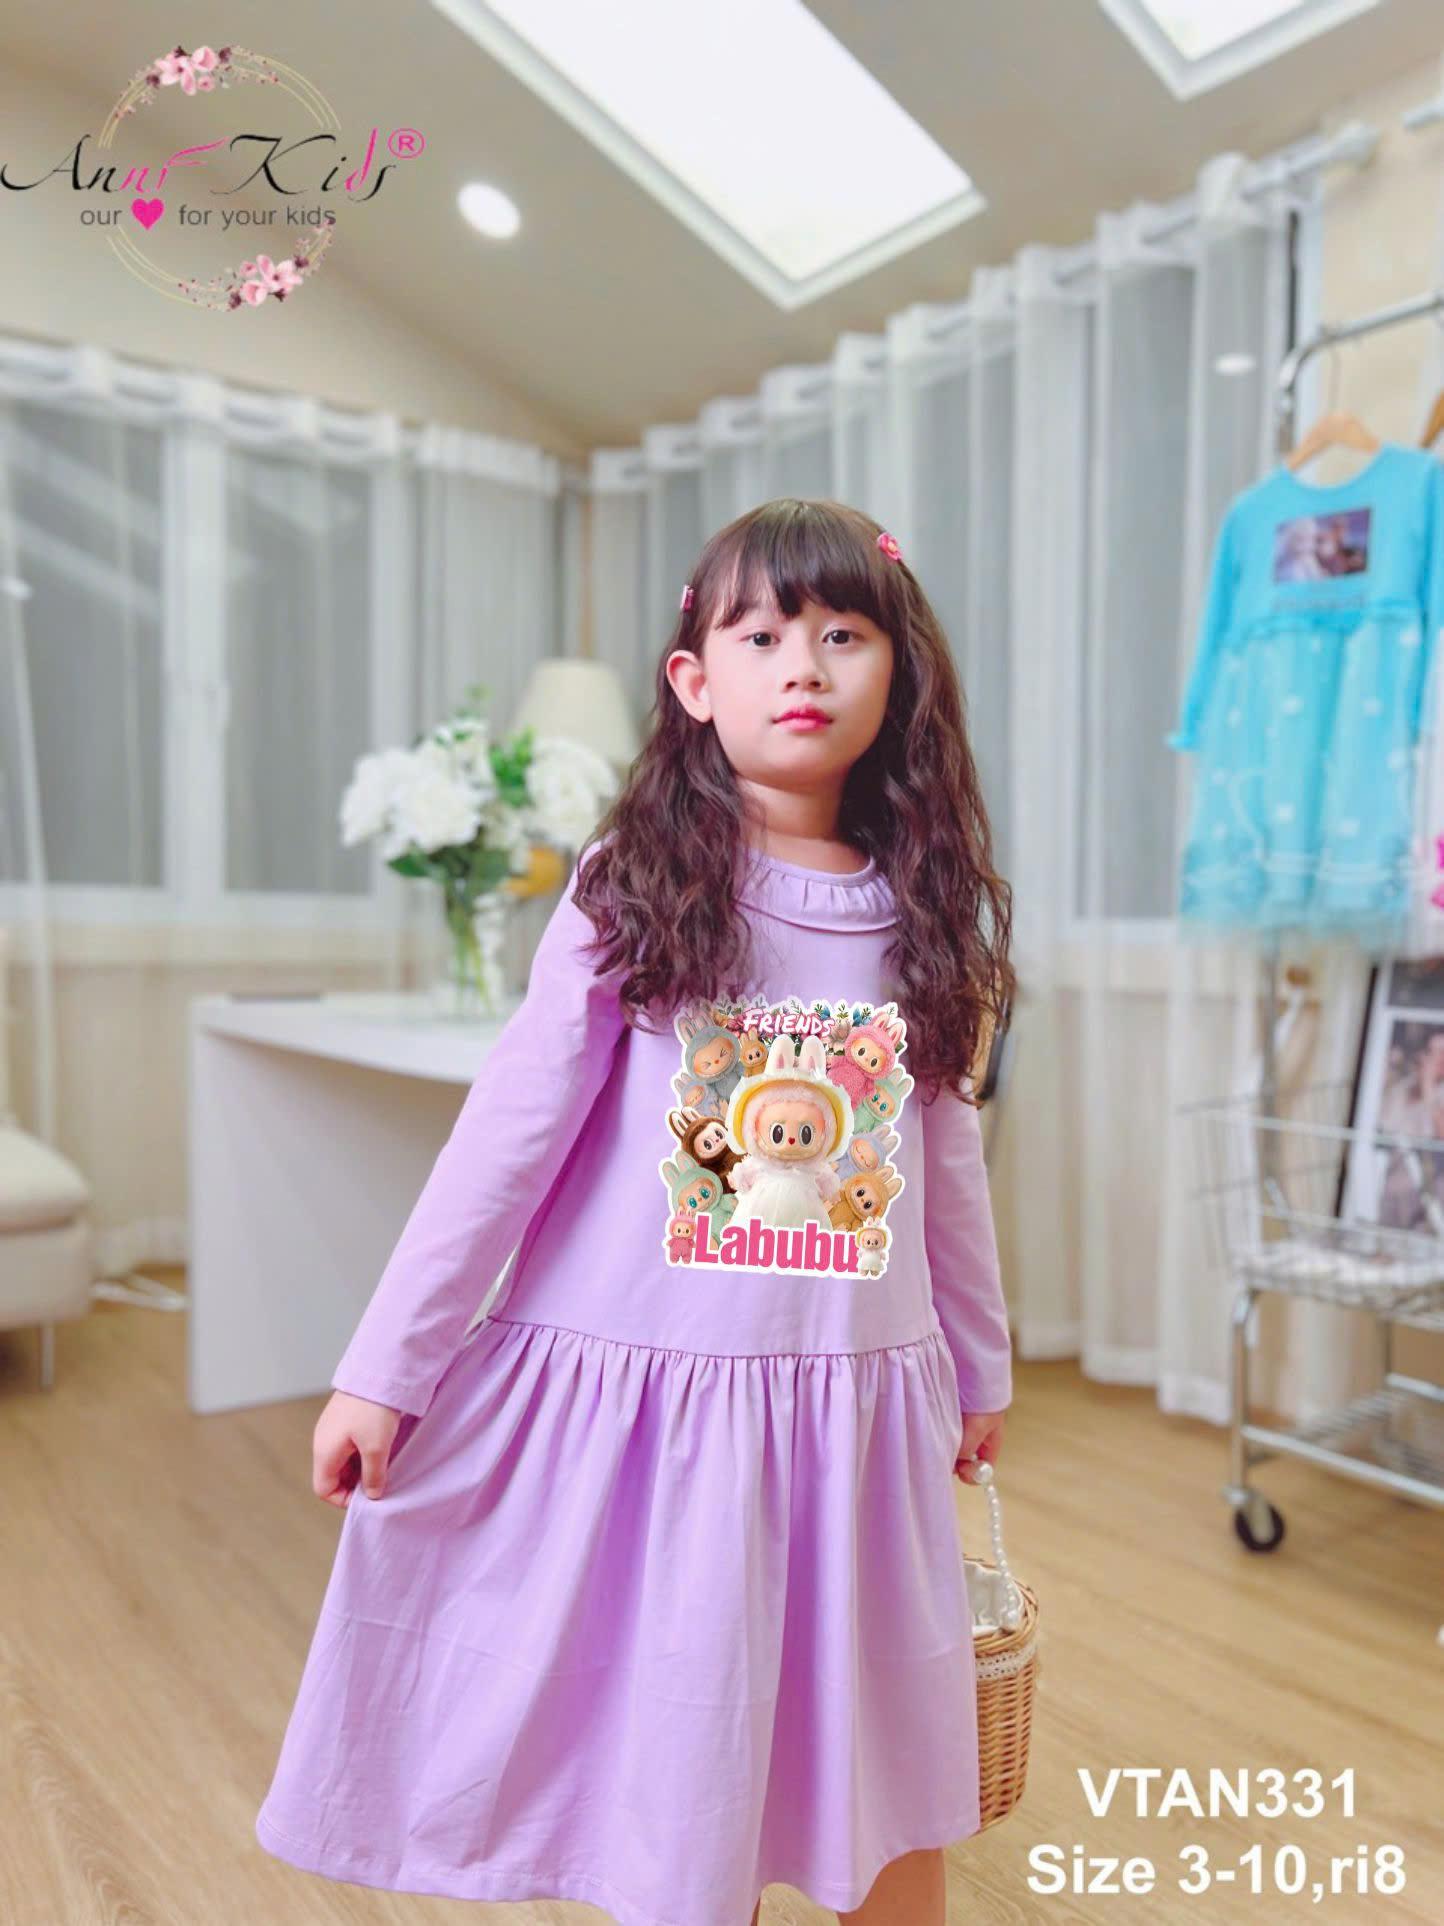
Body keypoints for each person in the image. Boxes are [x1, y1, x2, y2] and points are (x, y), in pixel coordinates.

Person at [255, 497, 1018, 1926]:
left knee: (885, 1759)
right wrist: (385, 1367)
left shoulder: (925, 912)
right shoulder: (636, 887)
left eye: (843, 635)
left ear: (898, 674)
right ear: (694, 680)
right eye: (761, 636)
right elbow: (510, 1132)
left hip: (853, 1408)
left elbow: (947, 1160)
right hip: (664, 1413)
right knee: (687, 1758)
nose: (803, 665)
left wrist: (981, 1365)